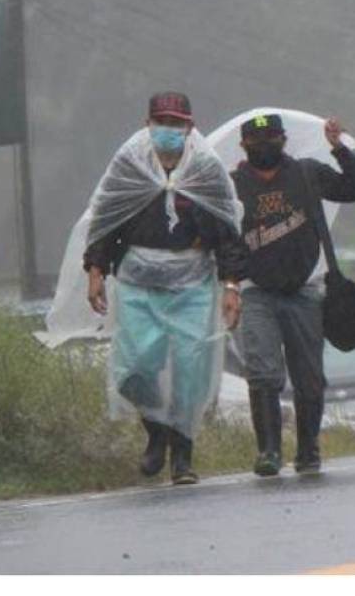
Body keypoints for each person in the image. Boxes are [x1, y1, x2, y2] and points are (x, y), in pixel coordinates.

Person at [83, 91, 243, 486]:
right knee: (135, 368)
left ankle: (182, 455)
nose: (169, 130)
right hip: (138, 282)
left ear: (190, 127)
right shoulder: (130, 166)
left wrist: (231, 285)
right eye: (162, 123)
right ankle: (156, 428)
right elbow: (107, 217)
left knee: (191, 370)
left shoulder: (206, 170)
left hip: (192, 284)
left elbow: (226, 231)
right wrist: (96, 269)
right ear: (148, 124)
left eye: (177, 124)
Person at [223, 112, 355, 477]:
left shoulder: (307, 173)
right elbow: (223, 240)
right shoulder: (234, 184)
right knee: (263, 373)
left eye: (271, 139)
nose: (264, 146)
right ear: (243, 146)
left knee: (309, 377)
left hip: (304, 291)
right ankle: (269, 451)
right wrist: (230, 285)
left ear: (284, 140)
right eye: (256, 142)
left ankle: (308, 449)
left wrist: (339, 149)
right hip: (257, 293)